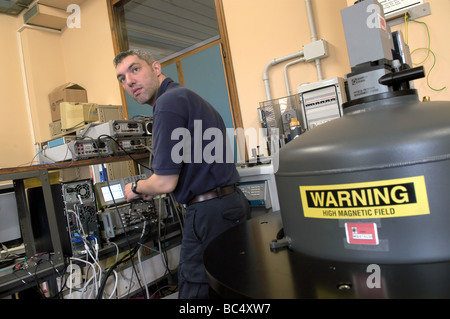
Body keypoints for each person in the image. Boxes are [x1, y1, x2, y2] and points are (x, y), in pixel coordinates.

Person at [114, 49, 250, 299]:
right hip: (230, 204)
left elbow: (165, 181)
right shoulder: (188, 97)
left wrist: (136, 188)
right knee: (230, 286)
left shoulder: (167, 104)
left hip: (208, 212)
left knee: (193, 290)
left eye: (135, 69)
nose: (129, 81)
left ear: (156, 68)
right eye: (121, 78)